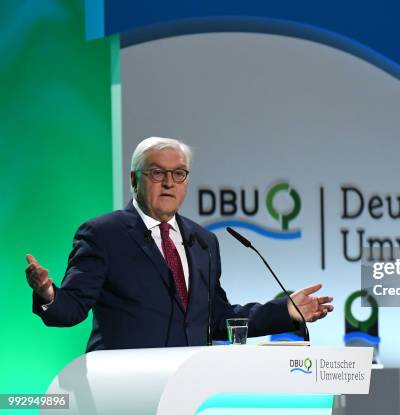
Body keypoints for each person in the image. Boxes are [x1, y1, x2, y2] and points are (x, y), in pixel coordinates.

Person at [25, 137, 333, 351]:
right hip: (123, 389)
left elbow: (215, 318)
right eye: (157, 172)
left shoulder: (203, 241)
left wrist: (286, 312)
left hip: (188, 390)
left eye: (179, 173)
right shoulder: (103, 234)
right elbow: (71, 309)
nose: (169, 182)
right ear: (135, 179)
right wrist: (47, 293)